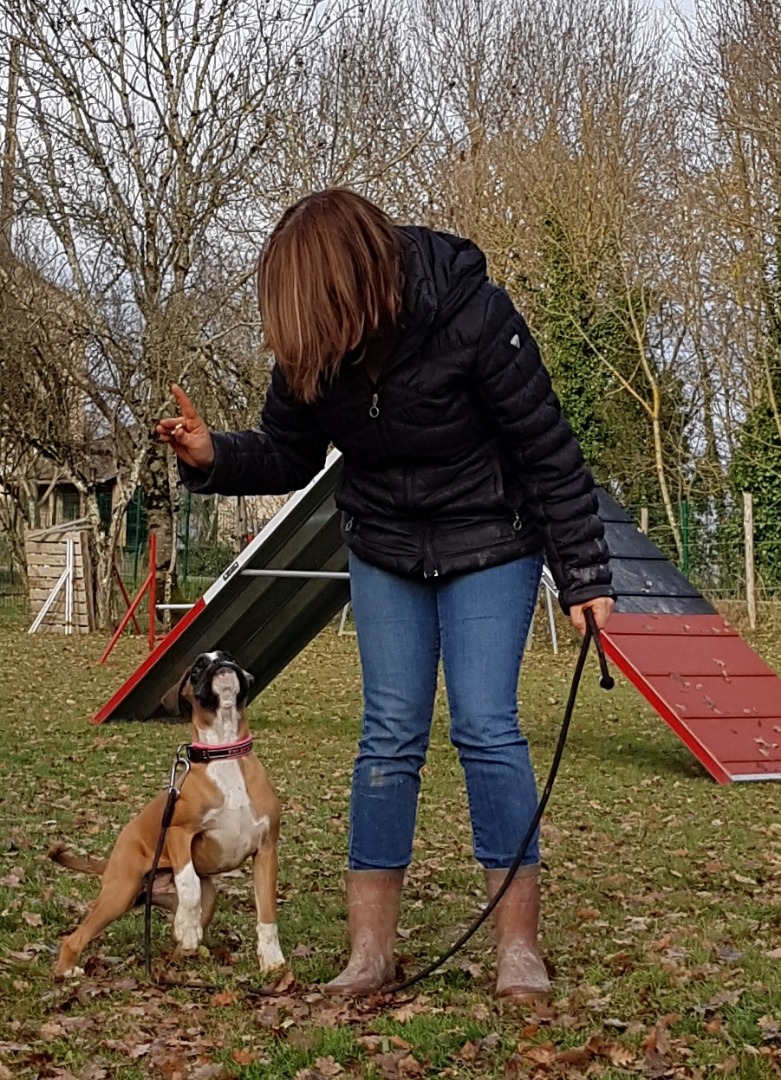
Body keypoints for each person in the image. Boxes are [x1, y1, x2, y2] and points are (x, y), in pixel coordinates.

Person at [157, 188, 615, 1002]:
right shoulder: (317, 345)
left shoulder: (472, 314)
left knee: (485, 728)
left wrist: (583, 573)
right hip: (386, 547)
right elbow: (286, 453)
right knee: (387, 738)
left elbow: (547, 448)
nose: (305, 337)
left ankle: (518, 951)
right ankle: (369, 955)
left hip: (491, 540)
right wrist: (210, 455)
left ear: (356, 286)